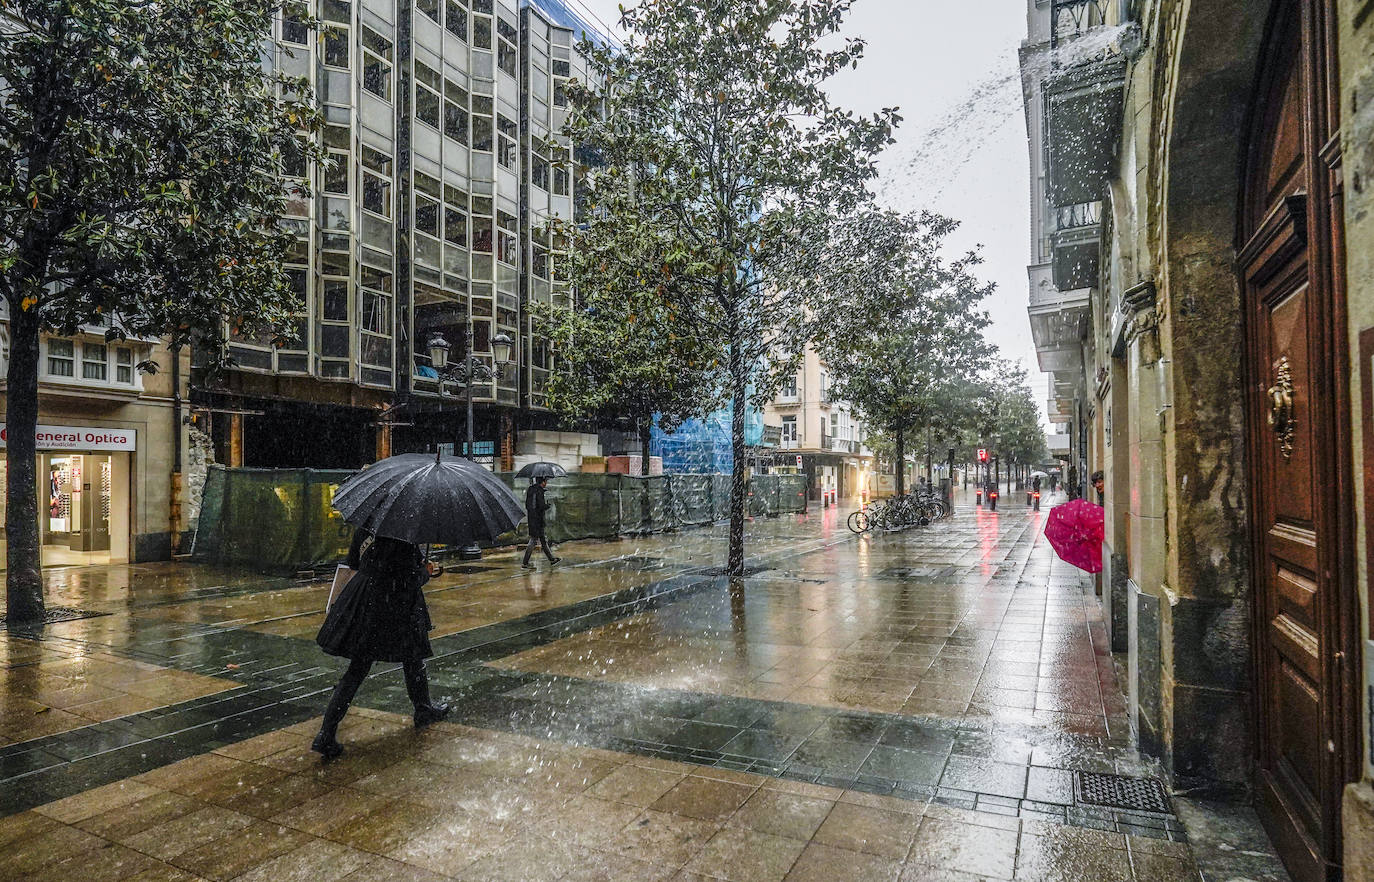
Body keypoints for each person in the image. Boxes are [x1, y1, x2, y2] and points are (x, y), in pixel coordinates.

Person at [311, 528, 449, 759]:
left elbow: (353, 560)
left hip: (366, 599)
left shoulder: (367, 527)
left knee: (361, 667)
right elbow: (408, 579)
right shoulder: (403, 533)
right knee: (410, 657)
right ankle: (422, 709)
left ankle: (327, 732)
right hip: (396, 604)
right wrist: (425, 571)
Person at [522, 475, 560, 569]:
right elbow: (541, 506)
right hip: (538, 519)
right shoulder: (539, 491)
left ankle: (552, 559)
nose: (546, 483)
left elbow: (528, 504)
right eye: (545, 481)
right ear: (542, 482)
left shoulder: (530, 490)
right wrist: (547, 505)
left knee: (543, 540)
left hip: (532, 518)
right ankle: (525, 563)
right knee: (534, 540)